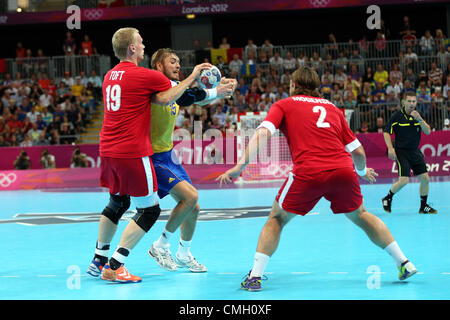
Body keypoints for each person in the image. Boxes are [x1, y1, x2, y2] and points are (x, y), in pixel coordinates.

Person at [217, 66, 417, 291]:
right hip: (343, 171)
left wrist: (239, 166)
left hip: (308, 172)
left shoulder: (284, 104)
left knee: (277, 219)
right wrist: (361, 172)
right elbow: (359, 152)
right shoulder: (333, 108)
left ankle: (255, 277)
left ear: (294, 85)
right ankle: (404, 262)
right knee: (361, 215)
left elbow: (263, 133)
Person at [86, 27, 213, 283]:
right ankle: (114, 266)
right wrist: (194, 76)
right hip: (132, 151)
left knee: (118, 203)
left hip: (107, 149)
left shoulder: (110, 75)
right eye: (141, 42)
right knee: (149, 211)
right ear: (132, 48)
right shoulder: (143, 75)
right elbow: (169, 97)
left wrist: (212, 92)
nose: (144, 45)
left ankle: (98, 258)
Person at [147, 48, 235, 272]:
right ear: (159, 66)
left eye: (179, 62)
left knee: (193, 207)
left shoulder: (174, 90)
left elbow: (193, 98)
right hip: (152, 156)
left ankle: (183, 253)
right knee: (190, 197)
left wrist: (219, 91)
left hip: (169, 155)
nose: (178, 66)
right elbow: (188, 93)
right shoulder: (156, 85)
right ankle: (161, 245)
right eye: (172, 62)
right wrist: (199, 78)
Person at [382, 92, 437, 214]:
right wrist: (390, 149)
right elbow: (386, 132)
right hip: (401, 152)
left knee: (425, 179)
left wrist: (420, 119)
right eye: (409, 101)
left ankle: (423, 206)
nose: (412, 104)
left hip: (415, 152)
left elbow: (428, 131)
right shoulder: (397, 116)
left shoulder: (418, 116)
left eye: (414, 101)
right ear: (404, 102)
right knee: (404, 180)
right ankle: (388, 197)